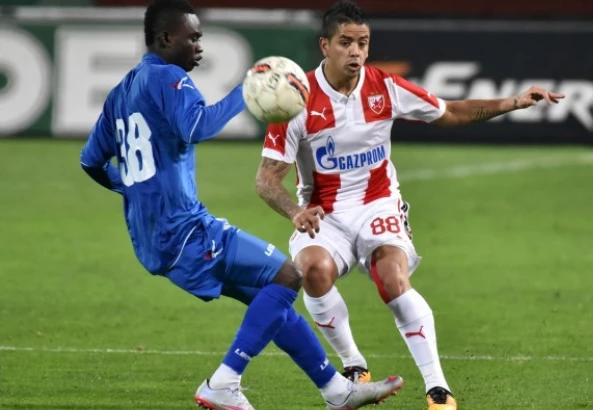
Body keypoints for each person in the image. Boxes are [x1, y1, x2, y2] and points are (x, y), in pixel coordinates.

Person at [78, 1, 404, 409]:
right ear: (166, 38)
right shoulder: (168, 77)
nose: (199, 46)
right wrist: (249, 90)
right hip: (184, 230)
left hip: (150, 237)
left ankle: (337, 391)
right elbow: (198, 126)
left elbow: (90, 161)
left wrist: (132, 189)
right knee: (287, 276)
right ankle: (224, 381)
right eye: (192, 37)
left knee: (271, 300)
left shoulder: (122, 91)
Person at [255, 1, 565, 409]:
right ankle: (354, 365)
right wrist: (296, 213)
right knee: (311, 270)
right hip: (323, 213)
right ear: (324, 46)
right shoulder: (297, 101)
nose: (356, 52)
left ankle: (438, 388)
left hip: (378, 203)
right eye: (345, 42)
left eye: (363, 43)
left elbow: (450, 112)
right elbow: (266, 180)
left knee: (392, 276)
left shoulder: (385, 87)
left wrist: (514, 102)